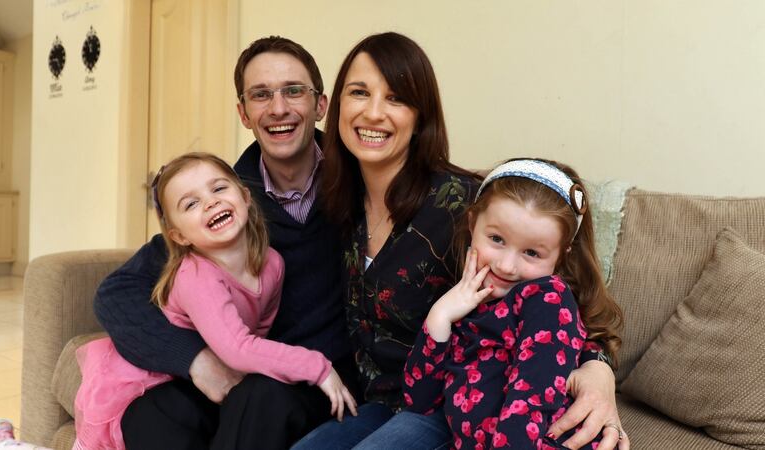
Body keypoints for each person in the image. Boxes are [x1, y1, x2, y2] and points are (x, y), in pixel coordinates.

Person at [292, 32, 627, 450]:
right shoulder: (336, 203)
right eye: (359, 92)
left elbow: (558, 300)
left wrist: (599, 371)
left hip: (452, 408)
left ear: (420, 116)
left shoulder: (467, 207)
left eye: (395, 98)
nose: (373, 112)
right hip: (384, 399)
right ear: (337, 104)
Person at [93, 36, 359, 450]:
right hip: (240, 366)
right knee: (150, 413)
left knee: (260, 399)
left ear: (320, 105)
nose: (278, 108)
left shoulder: (360, 183)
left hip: (315, 377)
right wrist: (197, 361)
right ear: (243, 113)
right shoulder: (225, 203)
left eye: (294, 91)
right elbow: (116, 294)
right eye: (260, 95)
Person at [73, 153, 357, 450]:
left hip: (229, 369)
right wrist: (316, 367)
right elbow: (238, 348)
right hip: (160, 375)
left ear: (246, 197)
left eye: (219, 189)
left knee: (256, 398)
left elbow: (256, 331)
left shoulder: (272, 264)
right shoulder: (197, 276)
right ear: (179, 235)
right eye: (191, 203)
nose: (210, 202)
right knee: (151, 417)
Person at [402, 158, 624, 449]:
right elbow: (419, 401)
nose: (507, 266)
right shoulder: (467, 303)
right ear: (472, 224)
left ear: (561, 255)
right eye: (496, 239)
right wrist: (441, 316)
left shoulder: (547, 299)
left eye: (532, 252)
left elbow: (529, 401)